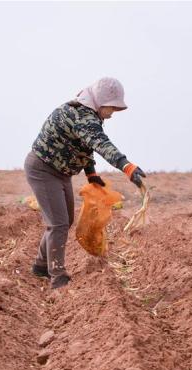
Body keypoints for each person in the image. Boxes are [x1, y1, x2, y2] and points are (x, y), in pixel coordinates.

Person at [24, 77, 146, 289]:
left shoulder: (89, 115)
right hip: (43, 169)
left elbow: (85, 147)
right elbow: (100, 143)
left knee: (65, 220)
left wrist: (91, 174)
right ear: (101, 101)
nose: (111, 114)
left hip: (60, 172)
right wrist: (126, 166)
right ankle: (58, 276)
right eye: (111, 108)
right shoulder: (80, 116)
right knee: (58, 223)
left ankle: (41, 266)